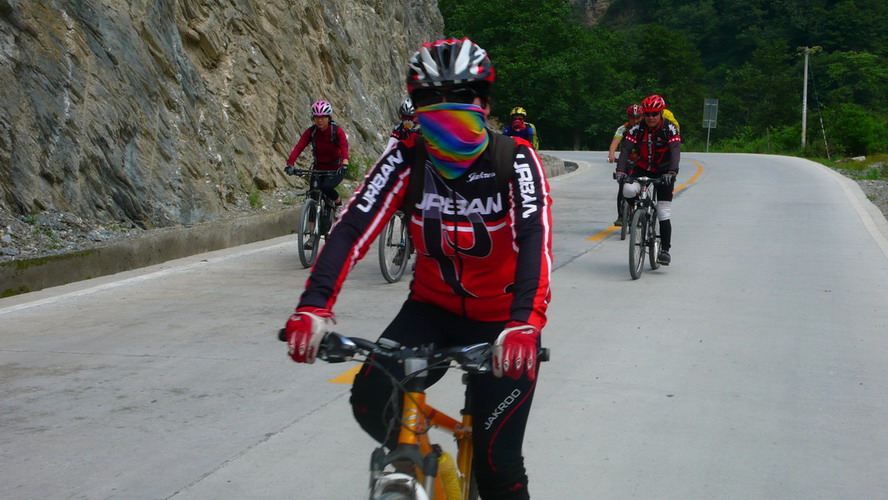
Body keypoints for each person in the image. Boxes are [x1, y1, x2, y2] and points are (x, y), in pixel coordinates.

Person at [283, 37, 552, 500]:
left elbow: (535, 239)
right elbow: (352, 227)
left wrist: (526, 322)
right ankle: (435, 467)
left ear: (485, 105)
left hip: (503, 321)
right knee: (371, 400)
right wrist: (313, 305)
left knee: (498, 467)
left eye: (461, 97)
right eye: (430, 99)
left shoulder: (515, 159)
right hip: (430, 311)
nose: (445, 109)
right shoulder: (407, 157)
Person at [615, 94, 680, 265]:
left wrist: (672, 172)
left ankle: (665, 251)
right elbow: (625, 150)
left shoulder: (670, 128)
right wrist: (620, 171)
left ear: (661, 113)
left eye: (655, 114)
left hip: (664, 171)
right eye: (647, 114)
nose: (651, 117)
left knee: (663, 212)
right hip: (642, 167)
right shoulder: (637, 128)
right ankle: (639, 211)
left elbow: (675, 150)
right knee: (628, 190)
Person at [285, 100, 350, 207]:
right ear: (313, 118)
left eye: (323, 117)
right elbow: (299, 147)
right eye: (316, 117)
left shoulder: (337, 131)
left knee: (326, 187)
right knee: (313, 193)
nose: (319, 120)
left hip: (336, 169)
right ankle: (310, 217)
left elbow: (344, 147)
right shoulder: (311, 132)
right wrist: (290, 163)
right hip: (318, 168)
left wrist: (345, 163)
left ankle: (338, 204)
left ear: (328, 117)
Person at [608, 104, 643, 226]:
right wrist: (611, 154)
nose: (635, 121)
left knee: (641, 186)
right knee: (622, 187)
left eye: (638, 118)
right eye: (632, 118)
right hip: (626, 161)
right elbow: (615, 142)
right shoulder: (623, 128)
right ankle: (621, 216)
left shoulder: (645, 129)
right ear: (628, 118)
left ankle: (641, 212)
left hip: (641, 161)